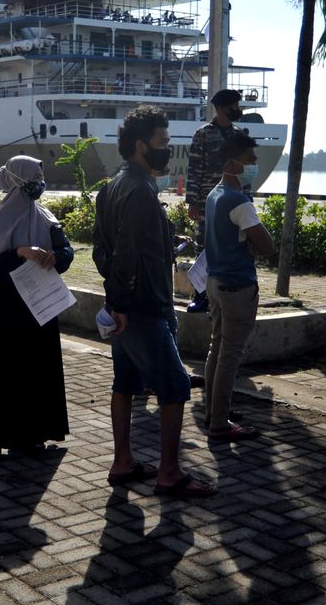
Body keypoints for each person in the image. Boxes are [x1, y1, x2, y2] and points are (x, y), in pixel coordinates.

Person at [94, 105, 217, 498]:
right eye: (161, 142)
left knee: (125, 383)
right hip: (144, 306)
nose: (167, 149)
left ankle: (124, 461)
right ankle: (169, 473)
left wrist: (114, 300)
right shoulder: (142, 189)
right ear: (138, 145)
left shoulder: (112, 185)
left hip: (127, 305)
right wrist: (123, 305)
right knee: (175, 385)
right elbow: (128, 253)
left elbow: (102, 253)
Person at [0, 156, 74, 460]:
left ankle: (35, 434)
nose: (40, 182)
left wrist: (55, 257)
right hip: (11, 310)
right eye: (35, 176)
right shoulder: (1, 220)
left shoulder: (45, 215)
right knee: (8, 369)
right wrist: (20, 251)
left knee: (40, 368)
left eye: (42, 176)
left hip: (41, 306)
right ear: (19, 180)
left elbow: (67, 251)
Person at [202, 132, 274, 439]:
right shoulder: (240, 202)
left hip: (214, 282)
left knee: (216, 349)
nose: (254, 165)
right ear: (233, 162)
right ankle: (219, 423)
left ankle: (213, 411)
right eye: (251, 160)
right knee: (230, 354)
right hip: (237, 286)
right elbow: (268, 246)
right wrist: (255, 244)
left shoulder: (214, 195)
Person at [185, 88, 245, 313]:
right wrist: (192, 201)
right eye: (233, 106)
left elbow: (244, 169)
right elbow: (194, 168)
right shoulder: (203, 134)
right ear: (220, 107)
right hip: (206, 202)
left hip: (232, 202)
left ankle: (224, 296)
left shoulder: (240, 134)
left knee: (230, 246)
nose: (237, 110)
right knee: (203, 249)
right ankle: (200, 296)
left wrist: (246, 200)